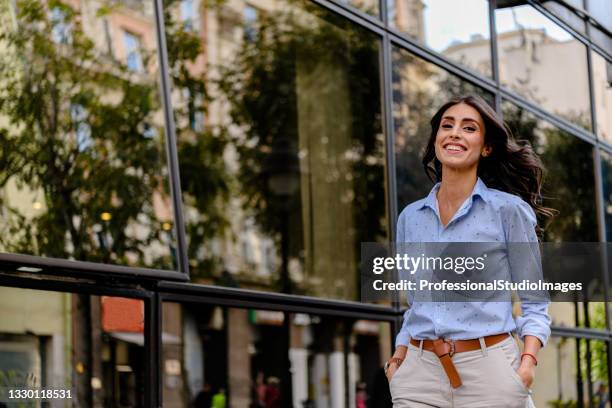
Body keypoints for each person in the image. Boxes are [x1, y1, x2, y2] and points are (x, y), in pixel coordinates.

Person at [386, 94, 553, 407]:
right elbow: (417, 303)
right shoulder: (411, 217)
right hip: (419, 374)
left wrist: (527, 363)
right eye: (447, 125)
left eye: (468, 128)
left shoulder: (508, 211)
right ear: (436, 139)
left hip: (490, 372)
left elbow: (534, 302)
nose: (454, 133)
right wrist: (398, 359)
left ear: (486, 147)